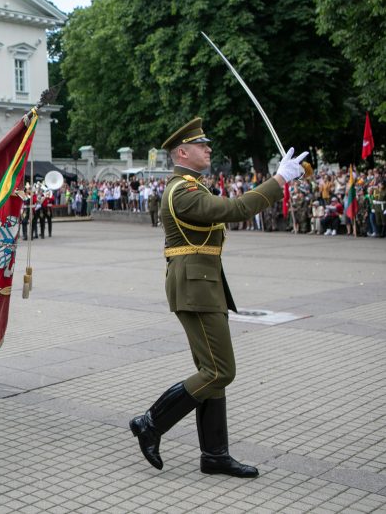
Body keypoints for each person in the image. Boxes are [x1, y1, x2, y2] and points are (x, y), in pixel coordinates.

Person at [129, 117, 307, 478]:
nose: (209, 149)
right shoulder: (182, 191)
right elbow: (237, 210)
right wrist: (279, 180)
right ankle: (151, 422)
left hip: (202, 285)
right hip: (195, 287)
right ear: (183, 152)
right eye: (202, 145)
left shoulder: (191, 186)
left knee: (209, 371)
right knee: (220, 371)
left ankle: (214, 455)